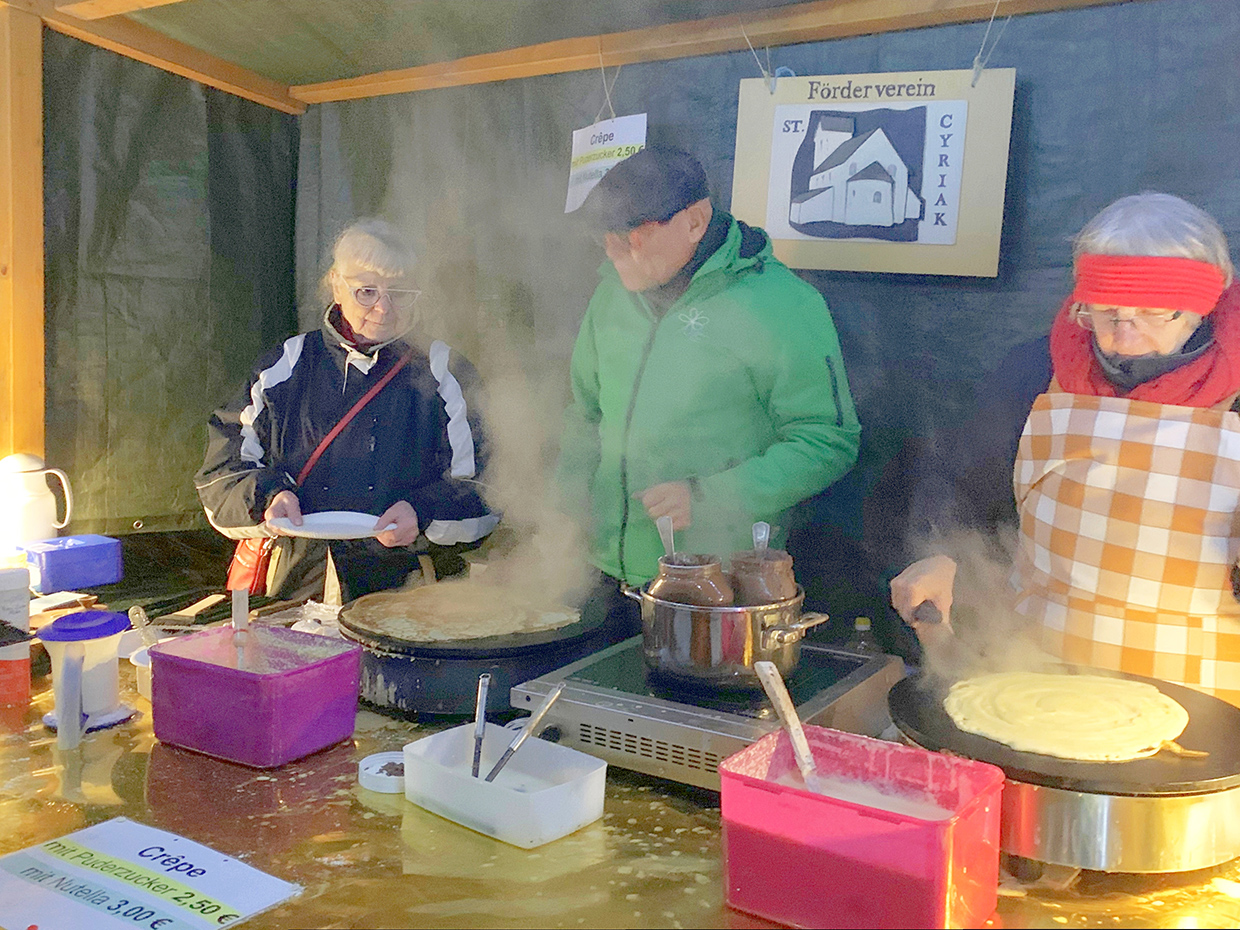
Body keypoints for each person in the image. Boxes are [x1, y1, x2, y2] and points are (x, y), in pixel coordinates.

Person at [890, 192, 1240, 704]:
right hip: (1036, 665)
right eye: (1106, 312)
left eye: (1151, 313)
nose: (1124, 336)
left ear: (1201, 310)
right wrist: (939, 550)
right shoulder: (1037, 371)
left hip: (1205, 688)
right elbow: (962, 475)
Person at [558, 146, 862, 636]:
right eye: (604, 239)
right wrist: (561, 507)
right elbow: (585, 414)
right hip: (600, 575)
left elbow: (827, 441)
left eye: (631, 238)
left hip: (715, 589)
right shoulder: (610, 295)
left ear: (695, 221)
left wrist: (708, 496)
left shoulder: (782, 306)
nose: (612, 254)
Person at [195, 218, 498, 602]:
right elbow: (220, 475)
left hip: (411, 589)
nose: (384, 308)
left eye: (399, 292)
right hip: (294, 588)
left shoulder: (447, 372)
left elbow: (491, 487)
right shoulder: (285, 365)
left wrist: (421, 512)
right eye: (367, 291)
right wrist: (269, 498)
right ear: (337, 287)